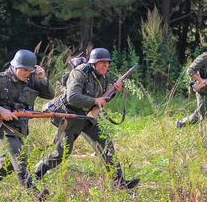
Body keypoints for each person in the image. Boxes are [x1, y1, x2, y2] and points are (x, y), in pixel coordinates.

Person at [32, 48, 139, 189]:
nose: (105, 66)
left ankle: (118, 181)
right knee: (62, 153)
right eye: (102, 63)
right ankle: (35, 174)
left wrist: (114, 92)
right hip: (70, 116)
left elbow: (102, 99)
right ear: (93, 63)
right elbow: (73, 97)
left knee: (106, 145)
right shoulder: (80, 73)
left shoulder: (105, 76)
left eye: (107, 63)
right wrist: (95, 101)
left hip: (88, 117)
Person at [0, 50, 54, 200]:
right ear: (15, 66)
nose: (26, 73)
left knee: (7, 166)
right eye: (23, 69)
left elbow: (50, 95)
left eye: (29, 70)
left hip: (20, 127)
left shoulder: (32, 79)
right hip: (2, 127)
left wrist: (42, 78)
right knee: (19, 158)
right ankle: (36, 195)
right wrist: (1, 110)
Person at [176, 40, 207, 128]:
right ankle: (181, 123)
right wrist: (201, 80)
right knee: (201, 115)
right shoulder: (204, 58)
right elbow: (190, 70)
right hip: (204, 91)